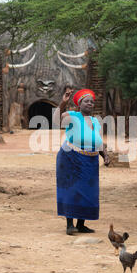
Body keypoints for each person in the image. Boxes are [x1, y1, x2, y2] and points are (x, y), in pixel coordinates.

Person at [54, 86, 111, 235]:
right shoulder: (72, 116)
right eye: (86, 101)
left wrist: (105, 155)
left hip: (90, 161)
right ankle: (69, 225)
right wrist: (63, 103)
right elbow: (57, 118)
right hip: (71, 157)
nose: (90, 104)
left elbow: (98, 141)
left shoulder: (95, 121)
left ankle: (81, 224)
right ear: (79, 104)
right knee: (71, 190)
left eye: (92, 102)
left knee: (87, 192)